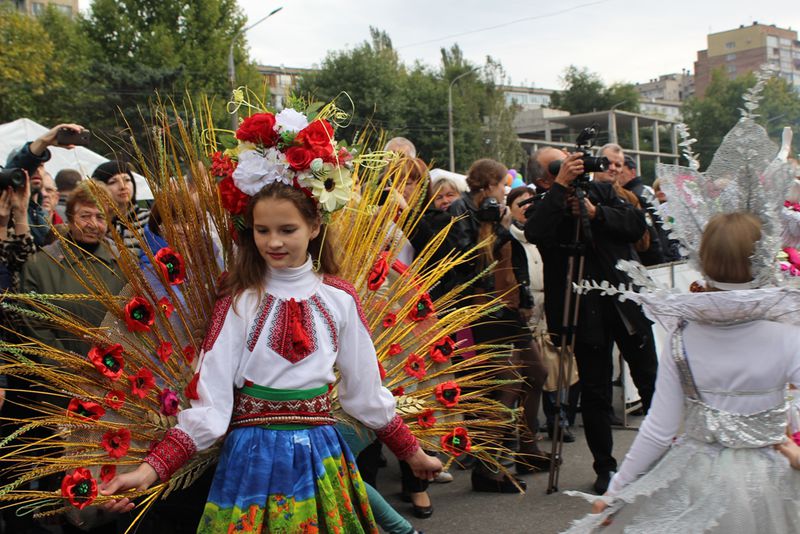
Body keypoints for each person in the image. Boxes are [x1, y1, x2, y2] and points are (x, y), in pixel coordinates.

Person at [100, 182, 442, 532]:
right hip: (251, 459)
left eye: (287, 229)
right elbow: (211, 408)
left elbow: (365, 395)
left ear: (314, 227)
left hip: (320, 455)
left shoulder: (340, 297)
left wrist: (412, 453)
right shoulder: (238, 299)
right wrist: (149, 470)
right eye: (263, 230)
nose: (274, 242)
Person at [565, 212, 800, 532]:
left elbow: (658, 429)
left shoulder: (685, 337)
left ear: (704, 261)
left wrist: (616, 491)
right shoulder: (787, 337)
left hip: (701, 477)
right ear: (763, 260)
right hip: (769, 479)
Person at [524, 149, 658, 495]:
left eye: (570, 160)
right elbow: (537, 231)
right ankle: (605, 467)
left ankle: (663, 458)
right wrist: (560, 190)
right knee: (596, 393)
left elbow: (635, 225)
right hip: (582, 310)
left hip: (625, 305)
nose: (571, 166)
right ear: (545, 177)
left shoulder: (600, 193)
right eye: (560, 166)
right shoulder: (543, 203)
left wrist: (596, 214)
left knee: (651, 383)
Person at [5, 123, 86, 248]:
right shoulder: (8, 204)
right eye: (33, 166)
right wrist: (43, 142)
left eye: (41, 166)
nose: (37, 170)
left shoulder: (40, 212)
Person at [91, 160, 150, 255]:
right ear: (100, 188)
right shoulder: (95, 222)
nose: (123, 186)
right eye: (113, 182)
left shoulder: (150, 219)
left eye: (127, 180)